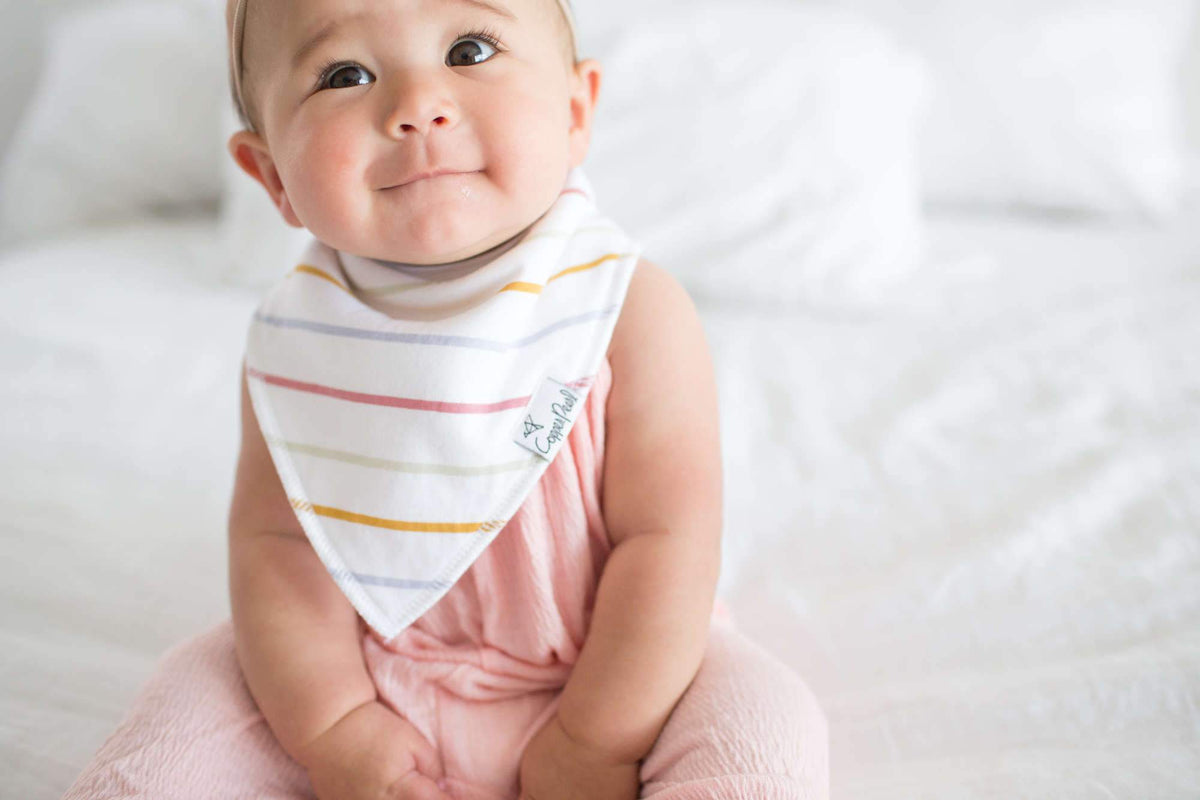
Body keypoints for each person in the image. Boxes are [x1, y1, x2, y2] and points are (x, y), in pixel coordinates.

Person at [61, 0, 829, 798]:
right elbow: (276, 551)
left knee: (768, 721)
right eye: (344, 74)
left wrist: (594, 739)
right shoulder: (298, 342)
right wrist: (337, 730)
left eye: (469, 49)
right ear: (273, 177)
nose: (416, 106)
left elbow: (667, 543)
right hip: (367, 678)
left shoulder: (626, 311)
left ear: (573, 111)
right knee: (184, 709)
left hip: (619, 672)